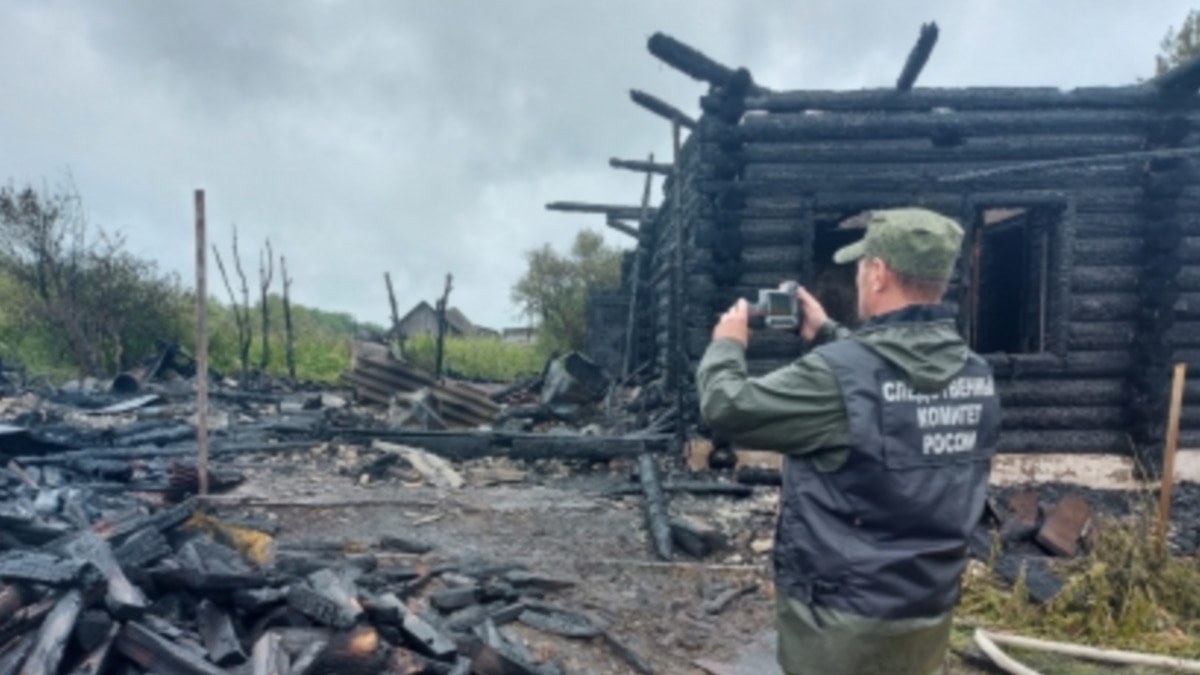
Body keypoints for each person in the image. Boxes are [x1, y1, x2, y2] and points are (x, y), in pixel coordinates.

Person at [695, 208, 1001, 675]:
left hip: (841, 623)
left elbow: (727, 406)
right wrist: (828, 333)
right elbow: (886, 387)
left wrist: (727, 343)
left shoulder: (836, 375)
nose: (858, 276)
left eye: (860, 266)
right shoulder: (977, 375)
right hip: (927, 611)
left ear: (878, 273)